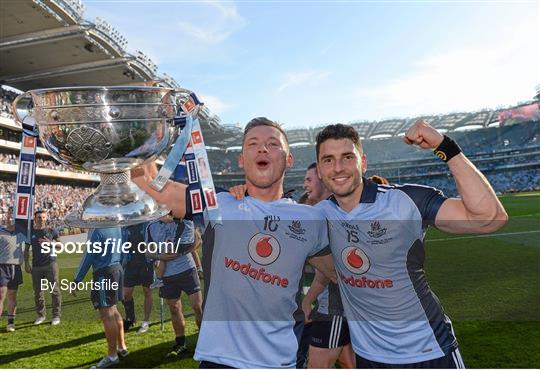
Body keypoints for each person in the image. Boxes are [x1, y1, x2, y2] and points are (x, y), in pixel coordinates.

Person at [131, 117, 336, 368]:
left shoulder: (310, 219)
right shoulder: (218, 205)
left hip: (278, 363)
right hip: (219, 360)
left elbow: (342, 275)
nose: (262, 148)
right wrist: (153, 123)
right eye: (253, 143)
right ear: (241, 159)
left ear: (288, 159)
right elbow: (147, 183)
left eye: (273, 144)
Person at [314, 121, 508, 368]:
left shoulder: (406, 201)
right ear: (319, 169)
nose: (338, 167)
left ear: (363, 162)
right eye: (328, 160)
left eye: (347, 157)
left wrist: (445, 147)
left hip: (429, 351)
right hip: (369, 357)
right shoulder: (317, 215)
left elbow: (488, 219)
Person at [144, 214, 201, 357]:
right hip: (167, 275)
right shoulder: (151, 226)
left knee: (197, 306)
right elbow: (147, 251)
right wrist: (159, 257)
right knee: (175, 309)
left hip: (187, 269)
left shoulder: (183, 219)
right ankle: (180, 343)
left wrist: (182, 252)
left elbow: (198, 240)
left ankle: (205, 339)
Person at [74, 227, 129, 369]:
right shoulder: (116, 226)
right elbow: (124, 250)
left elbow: (89, 256)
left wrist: (77, 280)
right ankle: (121, 347)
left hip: (104, 272)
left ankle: (112, 356)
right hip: (116, 269)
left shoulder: (97, 230)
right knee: (114, 310)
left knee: (107, 315)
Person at [24, 209, 62, 325]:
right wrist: (26, 263)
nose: (41, 219)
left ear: (46, 218)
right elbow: (26, 250)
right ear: (35, 219)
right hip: (36, 266)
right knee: (38, 292)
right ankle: (41, 315)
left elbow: (60, 246)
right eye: (39, 217)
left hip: (51, 264)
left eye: (43, 217)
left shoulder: (52, 230)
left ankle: (56, 316)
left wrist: (51, 243)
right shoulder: (30, 232)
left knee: (54, 290)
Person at [121, 222, 154, 333]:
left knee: (147, 292)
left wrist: (156, 257)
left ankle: (146, 321)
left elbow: (154, 241)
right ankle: (130, 318)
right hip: (130, 264)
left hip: (146, 263)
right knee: (126, 294)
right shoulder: (124, 226)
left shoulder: (147, 224)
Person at [0, 207, 25, 332]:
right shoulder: (0, 229)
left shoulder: (21, 232)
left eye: (13, 214)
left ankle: (10, 322)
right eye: (9, 213)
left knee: (12, 296)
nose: (11, 216)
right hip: (1, 267)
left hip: (15, 267)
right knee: (1, 296)